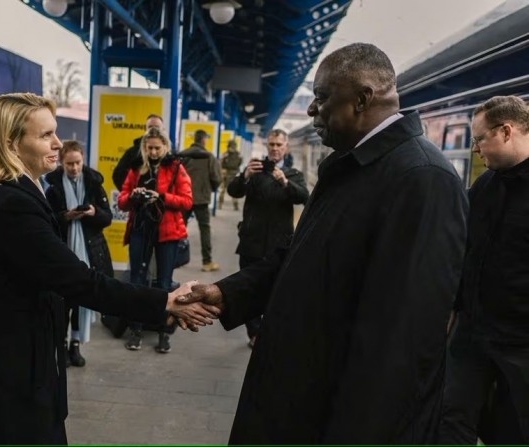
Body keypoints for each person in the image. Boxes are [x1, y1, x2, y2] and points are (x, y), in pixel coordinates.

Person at [179, 43, 468, 443]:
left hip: (327, 414)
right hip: (297, 394)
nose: (312, 110)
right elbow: (301, 256)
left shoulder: (423, 180)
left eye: (321, 98)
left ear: (362, 99)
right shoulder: (353, 165)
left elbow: (401, 340)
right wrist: (226, 292)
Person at [0, 93, 215, 445]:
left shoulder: (20, 192)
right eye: (45, 136)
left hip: (15, 365)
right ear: (11, 143)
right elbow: (80, 281)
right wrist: (165, 302)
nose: (57, 144)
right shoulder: (11, 203)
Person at [438, 96, 529, 444]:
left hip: (520, 342)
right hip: (471, 332)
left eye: (478, 139)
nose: (475, 149)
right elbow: (466, 251)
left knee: (513, 429)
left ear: (506, 131)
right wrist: (453, 309)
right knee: (451, 415)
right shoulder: (484, 187)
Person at [226, 128, 308, 349]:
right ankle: (254, 332)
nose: (274, 149)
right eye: (271, 144)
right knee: (247, 289)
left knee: (276, 290)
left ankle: (269, 329)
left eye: (279, 145)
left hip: (279, 244)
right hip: (251, 241)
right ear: (267, 146)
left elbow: (304, 197)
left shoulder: (292, 174)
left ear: (286, 147)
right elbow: (233, 191)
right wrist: (244, 176)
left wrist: (285, 183)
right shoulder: (255, 170)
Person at [118, 126, 193, 353]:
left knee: (163, 282)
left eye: (157, 148)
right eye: (149, 148)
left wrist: (160, 196)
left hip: (167, 232)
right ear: (144, 147)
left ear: (165, 147)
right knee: (137, 281)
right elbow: (121, 200)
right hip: (141, 229)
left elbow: (187, 201)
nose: (152, 152)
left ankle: (163, 332)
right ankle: (136, 330)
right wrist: (131, 196)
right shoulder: (136, 169)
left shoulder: (176, 168)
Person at [45, 139, 114, 368]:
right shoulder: (52, 186)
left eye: (77, 163)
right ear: (62, 163)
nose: (74, 168)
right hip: (64, 250)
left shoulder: (94, 182)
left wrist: (93, 212)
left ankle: (76, 344)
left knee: (81, 302)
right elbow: (47, 219)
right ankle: (62, 345)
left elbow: (107, 218)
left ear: (83, 160)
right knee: (63, 302)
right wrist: (66, 216)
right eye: (69, 164)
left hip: (89, 251)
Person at [179, 129, 222, 272]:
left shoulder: (183, 154)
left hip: (184, 197)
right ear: (203, 140)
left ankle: (176, 257)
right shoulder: (209, 156)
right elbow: (216, 178)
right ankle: (207, 262)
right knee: (204, 229)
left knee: (180, 228)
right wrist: (211, 188)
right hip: (202, 199)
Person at [112, 113, 164, 191]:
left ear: (163, 129)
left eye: (156, 127)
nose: (153, 130)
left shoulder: (169, 155)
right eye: (150, 127)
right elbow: (118, 175)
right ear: (145, 129)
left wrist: (164, 197)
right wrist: (130, 194)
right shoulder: (132, 153)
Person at [218, 139, 243, 210]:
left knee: (222, 190)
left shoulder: (225, 154)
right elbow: (240, 162)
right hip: (234, 173)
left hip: (226, 173)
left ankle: (220, 204)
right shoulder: (238, 154)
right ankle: (235, 206)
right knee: (234, 190)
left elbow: (221, 162)